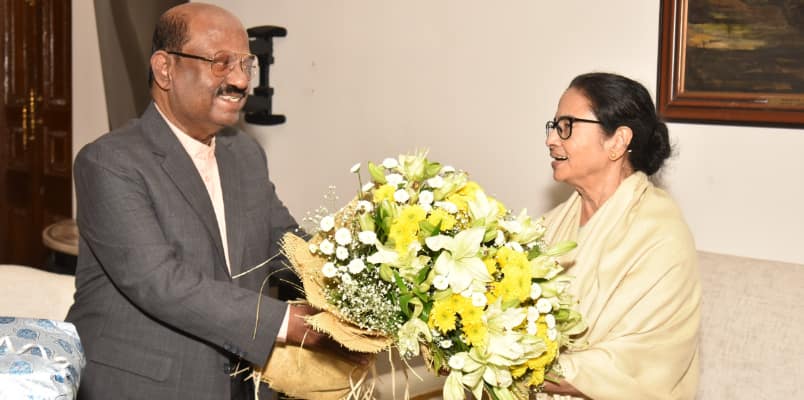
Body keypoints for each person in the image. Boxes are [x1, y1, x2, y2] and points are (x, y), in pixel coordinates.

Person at [67, 3, 361, 399]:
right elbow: (160, 282)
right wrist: (289, 324)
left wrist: (365, 276)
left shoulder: (245, 154)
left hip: (242, 383)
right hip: (144, 385)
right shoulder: (109, 161)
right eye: (221, 63)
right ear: (165, 68)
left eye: (245, 63)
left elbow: (284, 244)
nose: (240, 80)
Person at [539, 72, 701, 399]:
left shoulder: (661, 236)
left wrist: (514, 362)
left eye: (567, 126)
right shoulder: (549, 226)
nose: (552, 139)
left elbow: (631, 368)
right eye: (554, 126)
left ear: (617, 141)